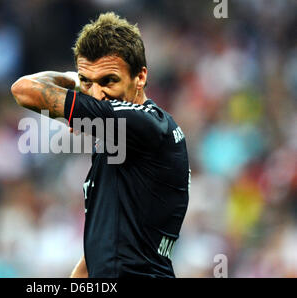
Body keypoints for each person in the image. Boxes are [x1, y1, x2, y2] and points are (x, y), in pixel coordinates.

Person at [11, 12, 190, 278]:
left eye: (109, 81)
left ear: (140, 77)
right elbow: (105, 244)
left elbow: (24, 90)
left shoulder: (138, 123)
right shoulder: (127, 138)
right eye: (88, 81)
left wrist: (74, 82)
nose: (97, 94)